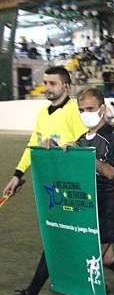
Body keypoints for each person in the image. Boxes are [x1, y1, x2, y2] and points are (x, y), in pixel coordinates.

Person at [2, 88, 114, 295]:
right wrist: (54, 149)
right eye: (81, 110)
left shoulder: (113, 137)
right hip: (87, 202)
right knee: (103, 256)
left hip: (110, 203)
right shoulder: (81, 138)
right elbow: (72, 166)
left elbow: (111, 172)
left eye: (90, 109)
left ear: (102, 109)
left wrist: (85, 156)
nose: (85, 114)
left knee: (89, 254)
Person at [3, 67, 86, 199]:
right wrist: (17, 175)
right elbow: (32, 146)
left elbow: (86, 145)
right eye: (45, 83)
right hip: (50, 180)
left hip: (72, 182)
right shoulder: (42, 113)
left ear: (66, 86)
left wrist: (60, 146)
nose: (47, 88)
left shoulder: (76, 111)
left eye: (52, 83)